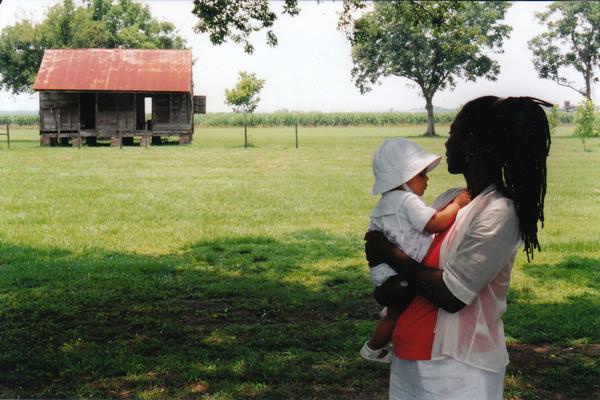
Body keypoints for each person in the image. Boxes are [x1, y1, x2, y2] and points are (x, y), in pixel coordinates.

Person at [364, 96, 551, 399]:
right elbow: (400, 283)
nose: (448, 145)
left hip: (457, 371)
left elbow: (452, 295)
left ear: (475, 143)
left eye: (454, 134)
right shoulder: (449, 199)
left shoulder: (498, 212)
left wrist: (387, 253)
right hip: (409, 356)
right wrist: (384, 279)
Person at [360, 138, 471, 363]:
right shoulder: (406, 200)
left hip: (386, 278)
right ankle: (372, 349)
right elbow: (435, 223)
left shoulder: (385, 203)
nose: (427, 179)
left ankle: (375, 346)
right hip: (400, 279)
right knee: (396, 314)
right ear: (404, 178)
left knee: (392, 313)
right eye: (421, 174)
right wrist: (457, 204)